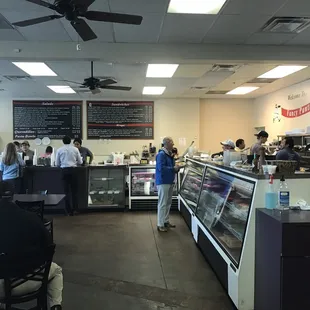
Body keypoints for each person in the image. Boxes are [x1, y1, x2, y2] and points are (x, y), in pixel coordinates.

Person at [0, 182, 63, 310]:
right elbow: (48, 245)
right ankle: (55, 306)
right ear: (13, 196)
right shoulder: (32, 218)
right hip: (35, 280)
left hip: (3, 285)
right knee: (56, 271)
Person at [155, 137, 180, 232]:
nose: (173, 144)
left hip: (170, 181)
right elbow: (161, 168)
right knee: (162, 203)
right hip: (163, 181)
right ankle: (160, 224)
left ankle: (165, 221)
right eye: (172, 143)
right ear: (166, 144)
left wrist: (177, 168)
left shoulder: (170, 154)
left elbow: (171, 167)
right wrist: (173, 168)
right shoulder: (161, 154)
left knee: (168, 203)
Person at [56, 136, 83, 216]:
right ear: (70, 141)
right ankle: (75, 209)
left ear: (63, 141)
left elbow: (57, 163)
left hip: (64, 171)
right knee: (74, 191)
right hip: (73, 171)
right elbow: (80, 162)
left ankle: (68, 211)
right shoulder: (75, 149)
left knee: (66, 192)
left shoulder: (59, 150)